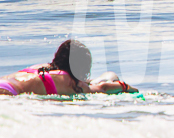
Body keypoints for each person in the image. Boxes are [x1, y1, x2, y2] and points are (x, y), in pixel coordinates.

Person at [0, 39, 138, 97]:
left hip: (4, 84)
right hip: (8, 95)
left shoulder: (43, 67)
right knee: (111, 76)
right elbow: (103, 88)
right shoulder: (69, 82)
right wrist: (126, 87)